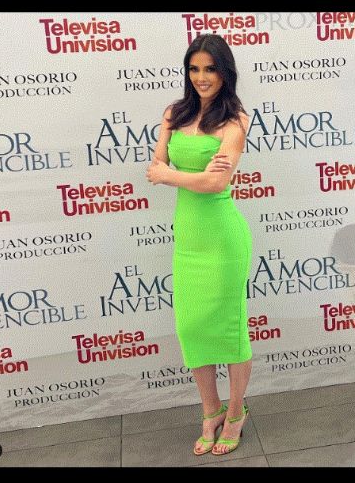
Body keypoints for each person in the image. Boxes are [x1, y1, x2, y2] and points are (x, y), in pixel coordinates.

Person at [145, 33, 252, 457]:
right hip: (189, 239)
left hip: (223, 239)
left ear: (225, 73)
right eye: (194, 68)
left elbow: (215, 184)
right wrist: (187, 175)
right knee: (191, 328)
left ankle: (236, 412)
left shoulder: (235, 120)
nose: (201, 77)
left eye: (210, 69)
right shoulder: (174, 113)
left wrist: (172, 176)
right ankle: (211, 411)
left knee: (230, 329)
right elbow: (156, 165)